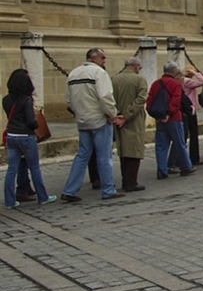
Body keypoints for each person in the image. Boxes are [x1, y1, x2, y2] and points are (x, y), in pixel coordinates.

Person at [61, 48, 125, 202]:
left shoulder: (73, 73)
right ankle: (108, 189)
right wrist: (112, 114)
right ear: (94, 58)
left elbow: (69, 101)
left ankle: (70, 190)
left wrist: (79, 113)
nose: (104, 61)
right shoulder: (99, 73)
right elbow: (105, 97)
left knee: (82, 155)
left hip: (83, 120)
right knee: (104, 156)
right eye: (103, 58)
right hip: (99, 119)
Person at [3, 69, 56, 208]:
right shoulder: (26, 99)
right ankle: (43, 197)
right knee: (34, 167)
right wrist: (36, 123)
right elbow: (30, 121)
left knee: (11, 169)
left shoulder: (6, 99)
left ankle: (9, 201)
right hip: (26, 136)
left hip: (11, 136)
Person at [147, 63, 194, 179]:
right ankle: (186, 166)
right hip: (174, 118)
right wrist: (168, 113)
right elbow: (176, 101)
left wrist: (156, 116)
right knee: (179, 143)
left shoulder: (155, 84)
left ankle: (162, 170)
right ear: (173, 72)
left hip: (159, 118)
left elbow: (149, 102)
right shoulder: (175, 84)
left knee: (161, 145)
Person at [112, 57, 148, 192]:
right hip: (133, 119)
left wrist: (117, 114)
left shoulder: (114, 79)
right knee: (134, 150)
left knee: (123, 151)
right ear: (136, 66)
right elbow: (141, 99)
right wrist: (127, 115)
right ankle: (131, 181)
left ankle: (125, 179)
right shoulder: (139, 80)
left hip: (118, 117)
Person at [181, 65, 203, 165]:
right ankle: (194, 157)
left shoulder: (182, 80)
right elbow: (202, 81)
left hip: (184, 108)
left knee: (184, 133)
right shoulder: (187, 81)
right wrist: (196, 73)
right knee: (193, 133)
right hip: (191, 108)